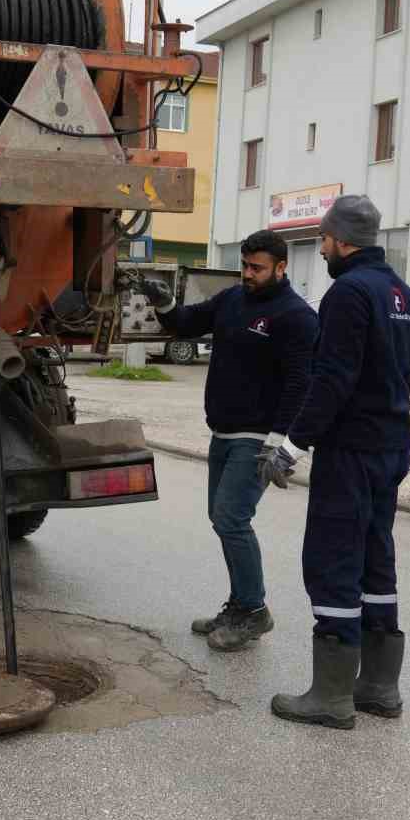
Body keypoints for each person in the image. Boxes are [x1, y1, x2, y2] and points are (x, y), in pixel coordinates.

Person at [255, 195, 410, 729]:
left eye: (325, 239)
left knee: (333, 560)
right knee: (377, 559)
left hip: (351, 450)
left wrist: (290, 445)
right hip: (392, 445)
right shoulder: (403, 294)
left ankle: (330, 696)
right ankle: (378, 686)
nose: (322, 248)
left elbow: (333, 380)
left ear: (341, 240)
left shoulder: (348, 293)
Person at [134, 231, 318, 651]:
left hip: (257, 438)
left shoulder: (296, 316)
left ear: (281, 267)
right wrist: (163, 303)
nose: (249, 274)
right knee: (222, 519)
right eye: (246, 266)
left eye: (258, 268)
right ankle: (239, 605)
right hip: (223, 431)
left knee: (232, 518)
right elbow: (186, 323)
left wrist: (280, 445)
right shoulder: (232, 301)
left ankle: (253, 612)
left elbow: (300, 383)